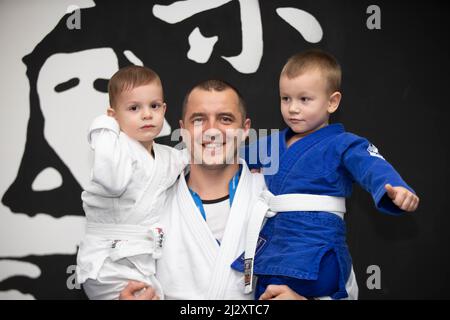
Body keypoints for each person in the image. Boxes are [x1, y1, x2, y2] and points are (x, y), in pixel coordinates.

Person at [118, 79, 359, 300]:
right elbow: (112, 277)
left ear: (245, 130)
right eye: (199, 120)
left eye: (225, 119)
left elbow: (346, 286)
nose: (212, 131)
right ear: (183, 130)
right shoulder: (152, 203)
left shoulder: (278, 198)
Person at [231, 49, 420, 300]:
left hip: (318, 244)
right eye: (285, 99)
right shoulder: (270, 144)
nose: (292, 108)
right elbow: (232, 156)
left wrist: (394, 187)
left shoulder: (344, 144)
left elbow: (371, 166)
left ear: (332, 102)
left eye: (304, 99)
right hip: (275, 245)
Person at [76, 65, 187, 300]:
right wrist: (103, 128)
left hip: (143, 261)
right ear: (114, 115)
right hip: (107, 263)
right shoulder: (114, 150)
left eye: (154, 106)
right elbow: (113, 182)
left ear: (164, 109)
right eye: (134, 108)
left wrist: (243, 159)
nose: (147, 114)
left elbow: (195, 158)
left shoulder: (167, 155)